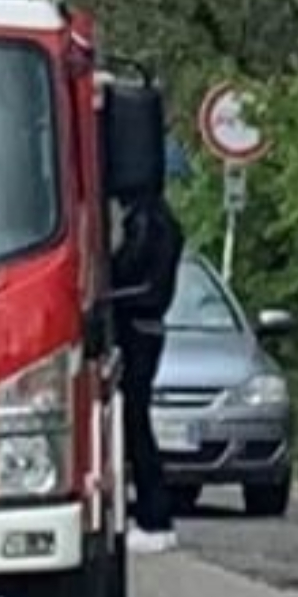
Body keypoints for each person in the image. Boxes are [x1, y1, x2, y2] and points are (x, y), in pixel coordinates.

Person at [113, 169, 187, 554]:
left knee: (134, 422)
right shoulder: (158, 220)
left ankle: (154, 515)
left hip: (136, 329)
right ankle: (148, 511)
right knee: (132, 422)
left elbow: (129, 271)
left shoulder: (148, 222)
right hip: (147, 328)